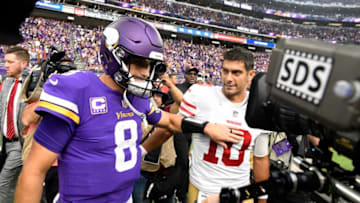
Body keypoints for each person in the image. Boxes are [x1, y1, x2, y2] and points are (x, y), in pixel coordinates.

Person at [14, 17, 241, 203]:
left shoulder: (135, 97)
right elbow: (34, 171)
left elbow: (170, 122)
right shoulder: (79, 90)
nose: (146, 73)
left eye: (151, 66)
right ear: (115, 56)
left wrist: (206, 127)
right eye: (141, 63)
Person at [180, 47, 270, 203]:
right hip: (202, 189)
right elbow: (174, 125)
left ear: (251, 75)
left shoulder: (259, 107)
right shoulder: (199, 95)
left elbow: (261, 159)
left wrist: (262, 199)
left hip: (240, 193)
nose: (228, 78)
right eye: (225, 71)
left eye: (236, 73)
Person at [0, 46, 29, 203]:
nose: (6, 65)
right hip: (6, 143)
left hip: (20, 143)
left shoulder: (32, 84)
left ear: (23, 64)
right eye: (6, 62)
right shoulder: (6, 83)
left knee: (3, 183)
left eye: (10, 62)